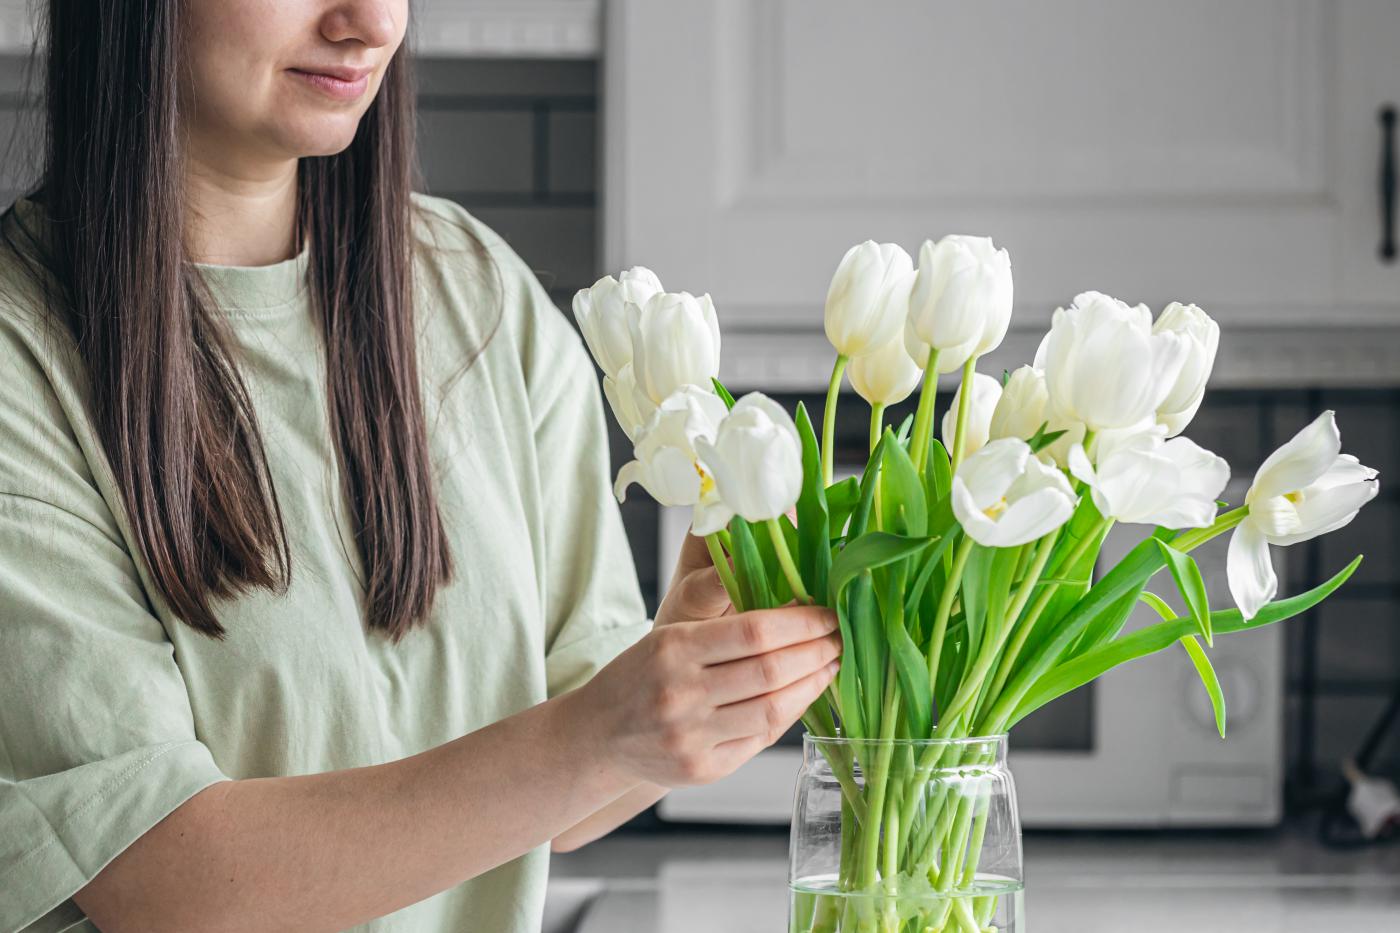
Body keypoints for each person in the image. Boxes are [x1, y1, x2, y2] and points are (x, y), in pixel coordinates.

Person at [0, 3, 841, 931]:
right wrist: (600, 730)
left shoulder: (476, 292)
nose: (367, 22)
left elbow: (572, 779)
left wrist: (679, 689)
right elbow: (164, 880)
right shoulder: (21, 356)